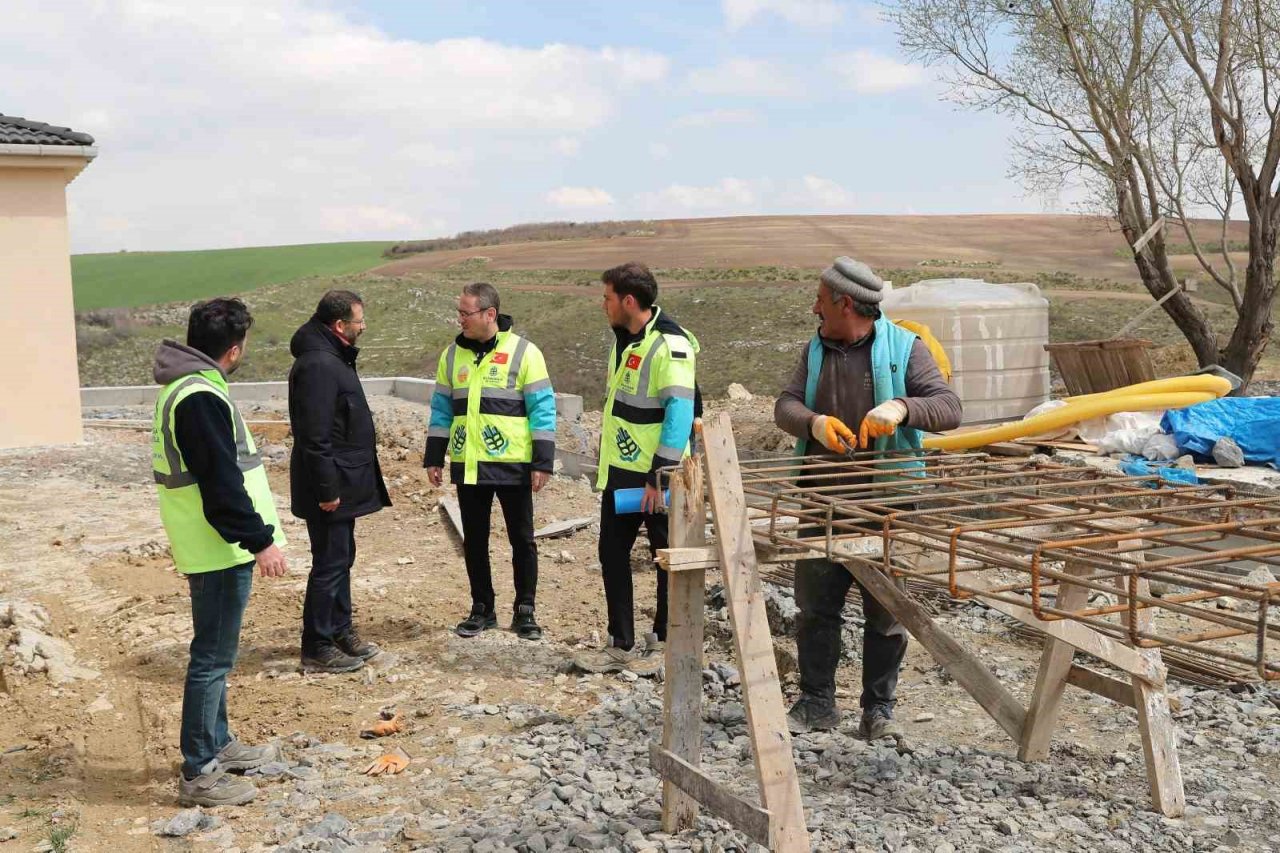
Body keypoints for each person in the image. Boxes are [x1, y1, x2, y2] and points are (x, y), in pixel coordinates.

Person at [774, 256, 962, 739]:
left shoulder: (906, 348)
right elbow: (786, 404)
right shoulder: (815, 350)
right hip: (822, 499)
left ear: (846, 304)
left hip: (886, 502)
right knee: (815, 606)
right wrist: (812, 422)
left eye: (821, 298)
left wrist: (901, 407)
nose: (814, 306)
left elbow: (948, 408)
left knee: (886, 611)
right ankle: (817, 702)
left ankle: (878, 711)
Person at [152, 298, 289, 807]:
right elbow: (221, 483)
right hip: (217, 547)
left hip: (214, 544)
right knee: (211, 659)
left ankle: (218, 743)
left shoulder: (188, 388)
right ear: (234, 350)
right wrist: (261, 541)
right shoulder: (199, 397)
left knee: (217, 656)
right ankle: (199, 771)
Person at [573, 262, 701, 677]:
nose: (602, 304)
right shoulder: (624, 339)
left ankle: (666, 641)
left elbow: (680, 413)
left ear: (629, 301)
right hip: (621, 474)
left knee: (665, 556)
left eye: (607, 297)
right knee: (612, 552)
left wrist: (658, 477)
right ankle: (621, 643)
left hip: (658, 478)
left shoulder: (670, 346)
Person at [425, 282, 556, 640]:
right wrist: (434, 456)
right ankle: (482, 608)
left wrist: (542, 462)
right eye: (460, 313)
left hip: (514, 467)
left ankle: (525, 610)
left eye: (466, 313)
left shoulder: (525, 353)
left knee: (522, 540)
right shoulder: (451, 355)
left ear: (489, 314)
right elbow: (440, 410)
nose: (461, 319)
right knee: (475, 540)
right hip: (469, 465)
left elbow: (543, 409)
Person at [288, 290, 391, 673]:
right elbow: (314, 436)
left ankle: (339, 630)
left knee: (341, 557)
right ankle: (316, 644)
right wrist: (328, 490)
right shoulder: (318, 364)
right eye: (359, 321)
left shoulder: (333, 357)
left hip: (343, 481)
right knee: (329, 562)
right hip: (329, 487)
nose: (362, 327)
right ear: (339, 326)